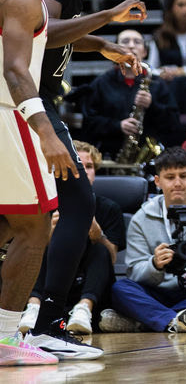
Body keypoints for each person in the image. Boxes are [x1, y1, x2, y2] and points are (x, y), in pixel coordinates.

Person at [32, 0, 141, 359]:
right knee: (78, 202)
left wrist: (104, 46)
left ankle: (39, 320)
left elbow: (64, 31)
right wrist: (109, 16)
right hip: (29, 105)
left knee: (27, 217)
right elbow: (45, 29)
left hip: (31, 105)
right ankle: (48, 322)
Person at [0, 0, 73, 366]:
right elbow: (15, 69)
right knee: (34, 225)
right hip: (11, 116)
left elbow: (37, 39)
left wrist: (103, 34)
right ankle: (7, 340)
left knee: (7, 224)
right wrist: (45, 131)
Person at [103, 148, 186, 333]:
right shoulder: (142, 218)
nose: (178, 183)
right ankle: (174, 321)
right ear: (158, 181)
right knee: (120, 289)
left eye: (183, 176)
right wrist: (154, 265)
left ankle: (146, 322)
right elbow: (134, 273)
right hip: (157, 292)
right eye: (170, 177)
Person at [20, 141, 125, 336]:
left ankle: (84, 309)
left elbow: (111, 259)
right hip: (51, 286)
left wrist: (98, 235)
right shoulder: (47, 206)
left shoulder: (109, 208)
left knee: (101, 248)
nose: (84, 172)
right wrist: (50, 235)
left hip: (90, 289)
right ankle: (34, 307)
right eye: (77, 166)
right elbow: (27, 253)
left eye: (89, 167)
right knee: (42, 249)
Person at [80, 29, 181, 159]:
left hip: (149, 159)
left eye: (137, 42)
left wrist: (152, 105)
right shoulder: (100, 83)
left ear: (144, 52)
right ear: (114, 51)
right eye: (125, 41)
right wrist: (118, 125)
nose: (131, 45)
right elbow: (88, 123)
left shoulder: (158, 84)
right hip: (110, 154)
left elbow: (174, 124)